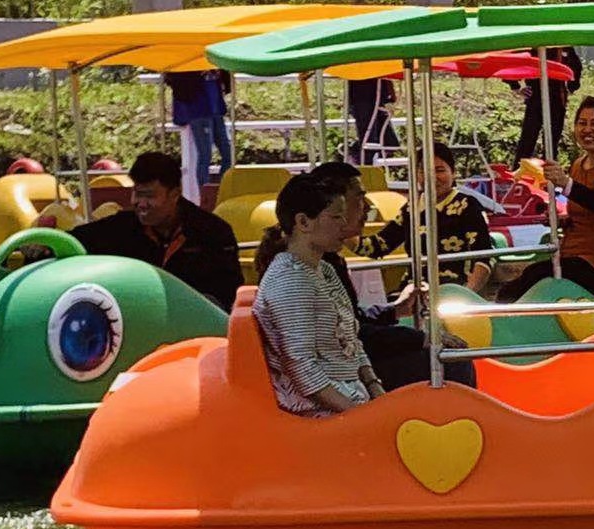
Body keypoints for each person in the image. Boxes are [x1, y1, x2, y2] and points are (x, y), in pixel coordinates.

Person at [309, 161, 478, 391]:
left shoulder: (329, 262)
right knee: (452, 363)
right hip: (341, 372)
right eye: (359, 199)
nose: (367, 208)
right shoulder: (309, 268)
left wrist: (394, 310)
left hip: (352, 361)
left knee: (446, 352)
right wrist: (417, 338)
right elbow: (351, 335)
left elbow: (352, 322)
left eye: (440, 170)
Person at [252, 172, 384, 417]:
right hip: (318, 412)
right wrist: (362, 415)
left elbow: (350, 340)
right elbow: (302, 368)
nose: (344, 224)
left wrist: (376, 389)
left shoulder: (324, 270)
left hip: (349, 396)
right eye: (336, 217)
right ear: (303, 222)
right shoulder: (290, 281)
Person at [497, 96, 594, 303]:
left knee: (535, 274)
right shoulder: (578, 164)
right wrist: (562, 220)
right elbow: (586, 212)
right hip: (572, 254)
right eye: (582, 123)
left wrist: (565, 183)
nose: (587, 130)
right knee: (515, 284)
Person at [72, 151, 243, 311]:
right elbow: (72, 241)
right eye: (137, 194)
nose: (141, 203)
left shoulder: (213, 233)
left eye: (149, 196)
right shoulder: (121, 228)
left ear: (174, 194)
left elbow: (228, 295)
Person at [351, 141, 492, 292]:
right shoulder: (411, 209)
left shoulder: (468, 206)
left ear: (453, 172)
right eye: (423, 171)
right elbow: (377, 246)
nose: (432, 177)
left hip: (453, 290)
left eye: (439, 170)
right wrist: (344, 230)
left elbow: (483, 258)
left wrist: (467, 294)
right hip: (414, 289)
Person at [163, 70, 232, 203]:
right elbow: (176, 80)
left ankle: (220, 190)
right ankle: (205, 195)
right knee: (205, 154)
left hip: (215, 108)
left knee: (228, 152)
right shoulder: (189, 65)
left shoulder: (215, 64)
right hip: (199, 110)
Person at [513, 47, 583, 166]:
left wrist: (572, 86)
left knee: (551, 143)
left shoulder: (562, 46)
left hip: (557, 99)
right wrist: (516, 87)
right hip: (535, 97)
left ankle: (549, 174)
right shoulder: (532, 45)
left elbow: (576, 66)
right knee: (527, 140)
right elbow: (513, 60)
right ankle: (518, 171)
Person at [347, 77, 401, 165]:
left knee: (389, 142)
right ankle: (360, 159)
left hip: (376, 95)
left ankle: (357, 154)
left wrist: (389, 89)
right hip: (362, 96)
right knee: (370, 142)